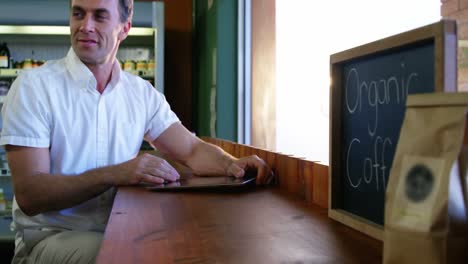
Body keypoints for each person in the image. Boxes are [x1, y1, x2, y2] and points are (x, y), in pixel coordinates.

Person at [0, 0, 271, 263]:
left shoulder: (141, 94)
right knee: (130, 255)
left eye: (100, 16)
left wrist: (232, 164)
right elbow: (30, 194)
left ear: (124, 28)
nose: (85, 25)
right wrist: (118, 173)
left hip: (123, 229)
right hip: (51, 239)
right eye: (78, 14)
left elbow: (191, 149)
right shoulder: (33, 87)